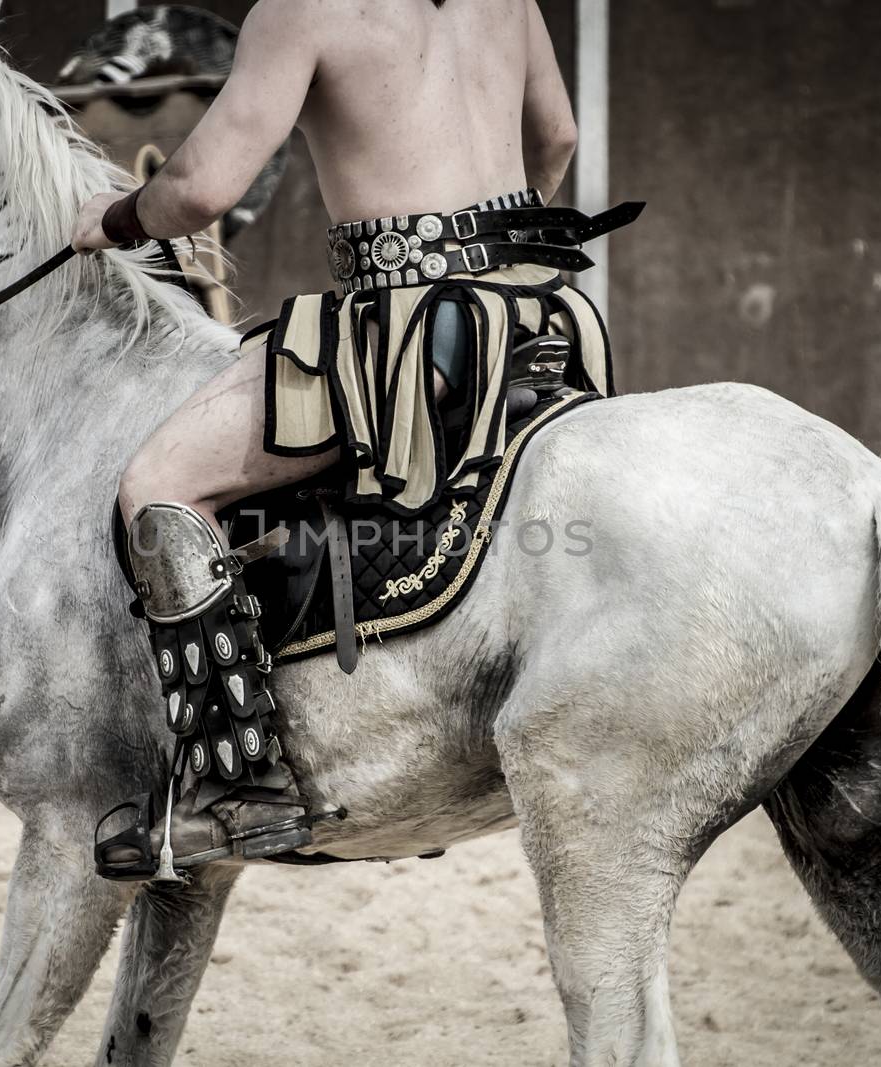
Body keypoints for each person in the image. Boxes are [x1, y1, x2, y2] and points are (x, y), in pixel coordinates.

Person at [73, 0, 623, 881]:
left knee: (159, 481)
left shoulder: (300, 9)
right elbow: (554, 136)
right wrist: (483, 246)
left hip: (409, 335)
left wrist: (113, 217)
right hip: (536, 310)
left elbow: (202, 191)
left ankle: (240, 791)